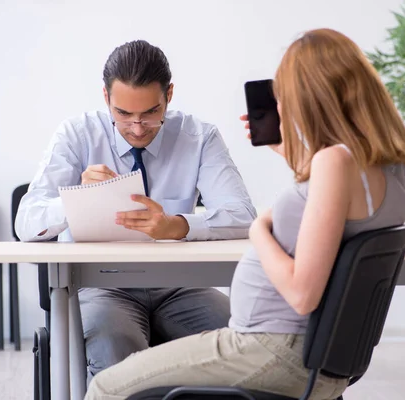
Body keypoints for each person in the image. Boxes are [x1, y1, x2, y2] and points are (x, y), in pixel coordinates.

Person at [84, 28, 405, 400]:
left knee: (106, 386)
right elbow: (337, 201)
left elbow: (303, 294)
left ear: (315, 94)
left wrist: (259, 231)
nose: (285, 104)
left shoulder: (333, 161)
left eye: (288, 93)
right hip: (304, 351)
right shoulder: (386, 164)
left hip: (272, 349)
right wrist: (287, 152)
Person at [14, 40, 256, 384]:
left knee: (249, 345)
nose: (138, 127)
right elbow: (26, 223)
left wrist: (178, 226)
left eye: (151, 113)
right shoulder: (76, 135)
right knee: (117, 361)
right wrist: (76, 199)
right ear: (106, 98)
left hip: (180, 284)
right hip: (101, 285)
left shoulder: (199, 137)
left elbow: (243, 215)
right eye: (124, 114)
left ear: (169, 95)